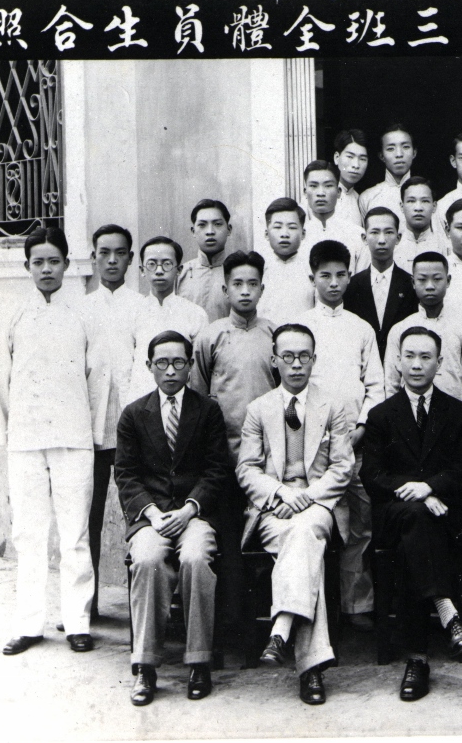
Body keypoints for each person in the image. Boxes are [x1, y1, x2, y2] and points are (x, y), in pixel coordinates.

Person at [0, 227, 108, 657]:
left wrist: (93, 435)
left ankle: (77, 622)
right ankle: (29, 624)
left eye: (54, 261)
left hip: (73, 438)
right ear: (27, 267)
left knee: (74, 533)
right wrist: (9, 431)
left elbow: (99, 379)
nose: (46, 269)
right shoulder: (13, 315)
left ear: (67, 264)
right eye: (38, 262)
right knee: (28, 533)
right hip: (25, 439)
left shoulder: (83, 316)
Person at [361, 327, 462, 701]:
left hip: (445, 519)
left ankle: (418, 659)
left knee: (419, 529)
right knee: (415, 518)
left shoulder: (460, 413)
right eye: (410, 356)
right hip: (395, 519)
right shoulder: (381, 415)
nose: (416, 365)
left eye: (425, 357)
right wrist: (417, 492)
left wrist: (428, 488)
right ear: (398, 361)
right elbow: (372, 476)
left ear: (439, 363)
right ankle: (446, 611)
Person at [236, 324, 355, 705]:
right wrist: (282, 493)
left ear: (314, 359)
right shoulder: (258, 409)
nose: (297, 364)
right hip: (273, 509)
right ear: (275, 361)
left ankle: (282, 627)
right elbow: (247, 469)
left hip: (318, 507)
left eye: (304, 356)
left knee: (304, 533)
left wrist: (306, 497)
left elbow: (342, 467)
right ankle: (311, 669)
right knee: (304, 548)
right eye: (288, 356)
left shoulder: (332, 405)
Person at [115, 331, 231, 705]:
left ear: (190, 365)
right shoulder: (134, 414)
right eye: (162, 363)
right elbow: (126, 474)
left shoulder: (207, 411)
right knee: (147, 559)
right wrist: (151, 512)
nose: (170, 371)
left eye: (178, 362)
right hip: (151, 516)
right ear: (149, 366)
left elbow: (217, 469)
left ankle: (198, 662)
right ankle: (145, 667)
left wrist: (189, 509)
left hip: (193, 514)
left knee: (196, 558)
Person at [298, 240, 384, 632]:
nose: (333, 283)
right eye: (325, 276)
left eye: (340, 275)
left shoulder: (361, 328)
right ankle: (317, 607)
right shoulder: (301, 328)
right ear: (312, 278)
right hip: (314, 448)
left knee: (361, 522)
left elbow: (376, 386)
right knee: (319, 520)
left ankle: (356, 605)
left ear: (350, 277)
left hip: (355, 441)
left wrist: (360, 430)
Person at [191, 250, 276, 643]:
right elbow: (199, 399)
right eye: (237, 284)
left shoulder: (273, 335)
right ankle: (231, 625)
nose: (245, 291)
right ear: (225, 290)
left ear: (262, 287)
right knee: (228, 538)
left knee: (264, 536)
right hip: (224, 458)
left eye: (252, 284)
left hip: (265, 460)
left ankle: (266, 621)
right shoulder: (210, 337)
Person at [84, 223, 144, 620]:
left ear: (130, 259)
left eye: (120, 253)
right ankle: (85, 605)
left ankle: (141, 607)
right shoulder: (79, 309)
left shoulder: (141, 306)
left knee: (136, 513)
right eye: (104, 253)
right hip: (90, 428)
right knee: (87, 516)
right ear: (93, 258)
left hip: (131, 431)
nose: (111, 260)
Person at [384, 252, 462, 437]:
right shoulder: (400, 329)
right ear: (413, 282)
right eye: (422, 280)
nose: (430, 286)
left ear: (448, 280)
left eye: (437, 279)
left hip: (454, 423)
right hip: (410, 423)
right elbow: (391, 383)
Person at [125, 236, 208, 403]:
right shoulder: (131, 313)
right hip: (140, 402)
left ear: (179, 270)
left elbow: (199, 370)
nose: (159, 270)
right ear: (142, 270)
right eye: (152, 264)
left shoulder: (195, 314)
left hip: (182, 403)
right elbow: (124, 368)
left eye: (167, 264)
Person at [344, 206, 419, 360]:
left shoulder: (411, 284)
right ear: (364, 238)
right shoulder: (351, 286)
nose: (382, 240)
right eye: (375, 232)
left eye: (389, 232)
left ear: (398, 237)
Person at [302, 160, 369, 273]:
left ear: (338, 192)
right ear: (305, 192)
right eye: (313, 186)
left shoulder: (357, 235)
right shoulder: (298, 238)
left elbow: (362, 279)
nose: (321, 193)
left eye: (328, 185)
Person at [259, 197, 315, 325]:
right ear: (266, 234)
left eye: (292, 227)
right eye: (277, 227)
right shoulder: (258, 270)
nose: (284, 234)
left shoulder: (312, 270)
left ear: (303, 233)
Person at [176, 198, 233, 322]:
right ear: (193, 231)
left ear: (229, 229)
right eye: (202, 225)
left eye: (217, 224)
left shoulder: (238, 273)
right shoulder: (180, 274)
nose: (210, 232)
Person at [359, 123, 416, 219]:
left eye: (405, 147)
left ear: (414, 152)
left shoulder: (427, 194)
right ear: (381, 156)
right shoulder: (368, 197)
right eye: (390, 149)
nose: (399, 154)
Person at [393, 176, 450, 271]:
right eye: (411, 201)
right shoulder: (392, 246)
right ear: (402, 206)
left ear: (434, 206)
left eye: (425, 201)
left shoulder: (445, 246)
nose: (418, 208)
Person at [331, 128, 370, 227]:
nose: (356, 165)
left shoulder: (360, 200)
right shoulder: (321, 195)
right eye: (350, 157)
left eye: (362, 159)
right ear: (336, 158)